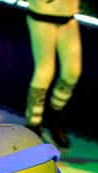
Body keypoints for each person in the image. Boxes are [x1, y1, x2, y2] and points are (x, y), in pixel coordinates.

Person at [24, 0, 82, 149]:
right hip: (42, 14)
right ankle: (33, 124)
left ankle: (54, 115)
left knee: (72, 72)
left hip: (67, 16)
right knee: (45, 71)